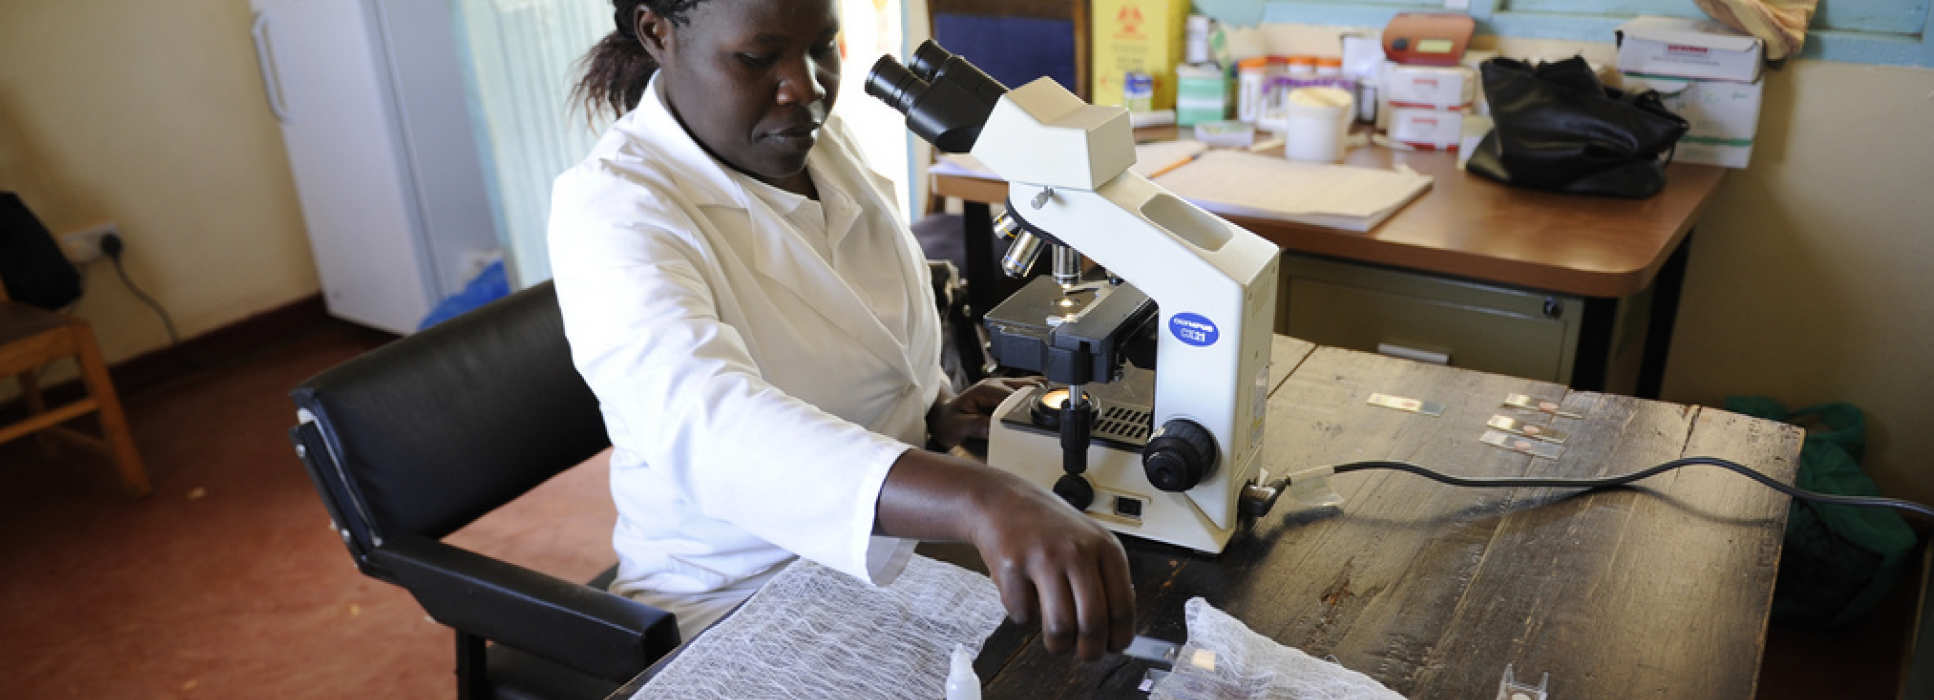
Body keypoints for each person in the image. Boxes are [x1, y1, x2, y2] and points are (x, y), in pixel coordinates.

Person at [549, 0, 1135, 661]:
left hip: (899, 557)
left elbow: (862, 324)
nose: (807, 87)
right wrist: (980, 497)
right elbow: (712, 425)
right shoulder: (612, 211)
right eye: (758, 57)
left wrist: (931, 411)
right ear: (659, 32)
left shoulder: (818, 142)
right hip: (740, 595)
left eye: (823, 47)